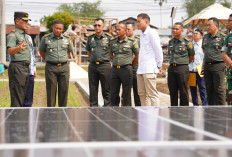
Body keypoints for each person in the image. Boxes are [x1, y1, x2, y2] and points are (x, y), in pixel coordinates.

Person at [39, 20, 73, 107]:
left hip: (64, 67)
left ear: (63, 29)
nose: (58, 30)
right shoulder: (46, 38)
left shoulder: (67, 38)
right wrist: (47, 59)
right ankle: (51, 112)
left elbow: (68, 52)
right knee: (51, 91)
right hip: (51, 67)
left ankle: (62, 111)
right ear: (53, 28)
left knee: (64, 90)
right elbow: (41, 51)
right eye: (56, 28)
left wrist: (62, 59)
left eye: (60, 29)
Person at [136, 13, 163, 106]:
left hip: (149, 69)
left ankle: (155, 116)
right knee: (142, 94)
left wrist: (159, 65)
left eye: (139, 21)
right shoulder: (141, 34)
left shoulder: (152, 33)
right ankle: (146, 115)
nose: (137, 23)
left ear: (146, 22)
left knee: (152, 94)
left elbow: (158, 50)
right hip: (141, 69)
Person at [110, 23, 139, 106]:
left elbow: (137, 55)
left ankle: (126, 111)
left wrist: (130, 65)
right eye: (116, 30)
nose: (117, 31)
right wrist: (116, 62)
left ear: (125, 30)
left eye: (119, 30)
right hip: (115, 69)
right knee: (114, 92)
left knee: (126, 93)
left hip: (126, 69)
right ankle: (114, 111)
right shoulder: (113, 41)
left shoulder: (132, 42)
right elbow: (110, 54)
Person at [6, 12, 31, 107]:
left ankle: (20, 119)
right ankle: (15, 120)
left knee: (23, 95)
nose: (27, 23)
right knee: (17, 96)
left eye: (27, 21)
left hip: (25, 68)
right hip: (17, 68)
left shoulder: (24, 35)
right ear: (17, 21)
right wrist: (18, 48)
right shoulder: (13, 35)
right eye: (24, 21)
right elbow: (10, 51)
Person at [86, 18, 112, 107]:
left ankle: (107, 109)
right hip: (93, 66)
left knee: (107, 89)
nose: (97, 27)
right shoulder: (90, 38)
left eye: (99, 25)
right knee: (93, 89)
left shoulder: (109, 38)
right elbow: (88, 51)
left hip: (105, 66)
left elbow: (112, 52)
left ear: (103, 26)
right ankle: (93, 108)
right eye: (95, 25)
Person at [168, 22, 195, 106]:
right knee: (172, 91)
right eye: (173, 28)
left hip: (182, 68)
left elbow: (191, 56)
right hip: (172, 68)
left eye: (177, 29)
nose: (174, 30)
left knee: (183, 91)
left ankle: (184, 110)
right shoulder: (171, 42)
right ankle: (173, 110)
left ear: (182, 31)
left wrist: (183, 63)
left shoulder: (187, 42)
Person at [201, 17, 226, 105]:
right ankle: (211, 110)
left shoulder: (222, 37)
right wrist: (203, 66)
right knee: (209, 89)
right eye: (207, 25)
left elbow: (226, 52)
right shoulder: (205, 37)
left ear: (216, 26)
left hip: (218, 65)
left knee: (218, 90)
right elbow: (205, 52)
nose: (207, 27)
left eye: (209, 25)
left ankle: (223, 111)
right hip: (207, 66)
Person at [189, 29, 208, 106]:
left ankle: (204, 105)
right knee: (192, 89)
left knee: (202, 88)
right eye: (193, 33)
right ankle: (195, 105)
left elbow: (205, 57)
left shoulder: (203, 45)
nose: (194, 35)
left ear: (201, 36)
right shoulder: (190, 45)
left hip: (200, 69)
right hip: (191, 69)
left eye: (196, 33)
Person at [126, 22, 141, 106]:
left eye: (129, 29)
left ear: (133, 30)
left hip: (135, 67)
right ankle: (128, 108)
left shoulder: (137, 40)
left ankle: (138, 108)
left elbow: (139, 54)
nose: (127, 31)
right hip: (126, 67)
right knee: (126, 89)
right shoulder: (122, 40)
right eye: (126, 29)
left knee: (137, 89)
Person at [24, 24, 37, 107]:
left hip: (30, 70)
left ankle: (28, 112)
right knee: (20, 95)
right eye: (27, 26)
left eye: (29, 26)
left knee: (29, 95)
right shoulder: (15, 36)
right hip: (20, 69)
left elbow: (32, 54)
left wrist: (34, 69)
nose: (28, 28)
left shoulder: (29, 38)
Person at [222, 14, 232, 105]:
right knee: (230, 101)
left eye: (229, 20)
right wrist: (231, 64)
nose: (227, 22)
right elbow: (224, 53)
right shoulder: (228, 37)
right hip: (231, 74)